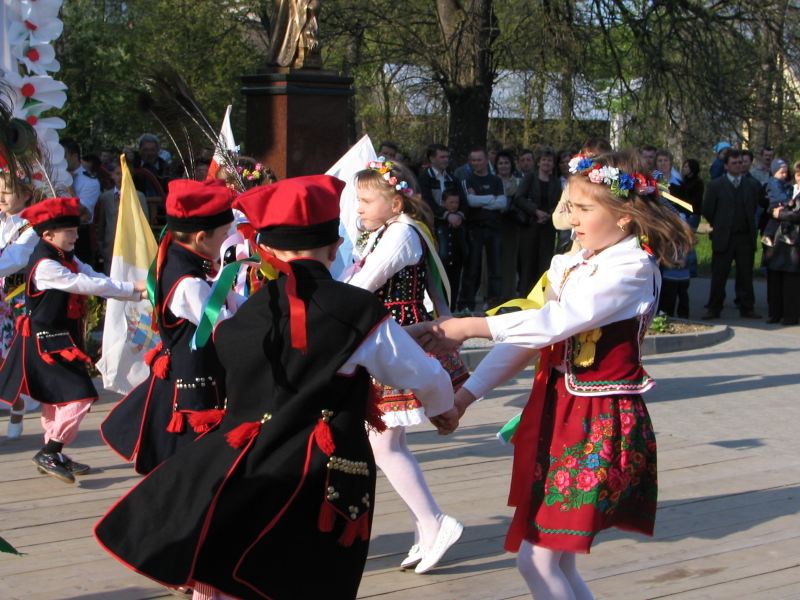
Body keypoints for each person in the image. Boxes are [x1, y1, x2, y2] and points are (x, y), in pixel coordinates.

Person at [94, 175, 458, 600]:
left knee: (227, 563)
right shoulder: (356, 309)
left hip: (242, 462)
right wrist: (443, 407)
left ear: (266, 250)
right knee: (302, 577)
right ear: (335, 248)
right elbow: (423, 375)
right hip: (317, 475)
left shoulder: (248, 311)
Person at [412, 151, 693, 599]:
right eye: (570, 206)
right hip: (558, 411)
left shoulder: (631, 269)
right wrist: (465, 397)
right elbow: (530, 341)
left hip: (595, 420)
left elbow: (553, 324)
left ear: (624, 216)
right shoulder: (576, 261)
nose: (571, 218)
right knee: (554, 559)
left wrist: (467, 327)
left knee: (538, 560)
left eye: (584, 209)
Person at [344, 160, 466, 574]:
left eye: (366, 200)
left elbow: (363, 285)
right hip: (389, 337)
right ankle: (425, 529)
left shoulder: (401, 234)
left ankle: (434, 523)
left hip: (398, 340)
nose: (359, 207)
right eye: (358, 200)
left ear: (395, 203)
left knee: (383, 443)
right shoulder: (387, 231)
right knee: (388, 443)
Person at [0, 197, 146, 483]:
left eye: (76, 230)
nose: (76, 236)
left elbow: (90, 274)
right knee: (80, 396)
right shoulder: (46, 265)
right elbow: (84, 284)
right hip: (44, 343)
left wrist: (134, 289)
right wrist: (133, 289)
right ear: (48, 234)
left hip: (60, 340)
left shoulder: (65, 256)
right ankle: (50, 451)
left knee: (57, 399)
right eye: (69, 231)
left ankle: (54, 452)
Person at [100, 179, 241, 475]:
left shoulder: (177, 258)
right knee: (191, 469)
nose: (229, 239)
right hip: (193, 391)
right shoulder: (188, 283)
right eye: (225, 234)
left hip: (184, 378)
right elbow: (224, 326)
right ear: (201, 238)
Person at [702, 150, 763, 319]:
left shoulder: (751, 185)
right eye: (734, 163)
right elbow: (707, 209)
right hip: (724, 236)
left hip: (745, 237)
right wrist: (720, 224)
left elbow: (755, 206)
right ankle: (714, 308)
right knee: (719, 275)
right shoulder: (716, 185)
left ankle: (747, 307)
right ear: (726, 166)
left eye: (740, 163)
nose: (738, 166)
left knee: (745, 274)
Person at [0, 172, 39, 439]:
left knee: (11, 357)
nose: (1, 196)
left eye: (7, 191)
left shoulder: (32, 227)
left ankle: (17, 403)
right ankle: (15, 402)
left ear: (26, 194)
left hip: (18, 300)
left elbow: (16, 258)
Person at [458, 147, 507, 311]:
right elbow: (470, 201)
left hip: (495, 227)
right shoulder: (467, 180)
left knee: (496, 269)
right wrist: (492, 198)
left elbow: (503, 203)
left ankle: (494, 304)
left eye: (479, 160)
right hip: (475, 228)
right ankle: (466, 304)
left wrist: (480, 199)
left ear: (486, 160)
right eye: (473, 160)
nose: (476, 163)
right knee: (472, 268)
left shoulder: (496, 180)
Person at [514, 147, 562, 295]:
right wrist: (535, 211)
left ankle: (541, 297)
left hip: (547, 228)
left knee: (544, 264)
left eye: (549, 160)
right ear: (539, 162)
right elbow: (519, 198)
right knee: (527, 265)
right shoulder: (530, 178)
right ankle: (524, 296)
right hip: (530, 226)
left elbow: (559, 202)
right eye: (544, 160)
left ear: (553, 164)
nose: (546, 163)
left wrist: (549, 214)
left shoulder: (556, 182)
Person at [96, 159, 150, 274]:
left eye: (125, 173)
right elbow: (102, 224)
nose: (121, 177)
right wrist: (101, 246)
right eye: (117, 173)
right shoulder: (105, 197)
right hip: (111, 247)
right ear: (112, 175)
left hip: (132, 246)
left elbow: (145, 223)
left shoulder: (139, 197)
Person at [763, 161, 800, 325]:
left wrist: (779, 214)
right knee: (775, 275)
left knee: (791, 279)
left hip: (795, 240)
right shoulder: (789, 188)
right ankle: (775, 313)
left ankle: (790, 316)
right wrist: (772, 211)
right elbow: (769, 204)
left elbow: (797, 215)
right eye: (798, 175)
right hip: (779, 239)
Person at [62, 138, 101, 264]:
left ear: (74, 156)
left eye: (63, 156)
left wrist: (69, 185)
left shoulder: (90, 181)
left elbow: (81, 212)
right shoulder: (54, 176)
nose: (59, 160)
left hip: (79, 236)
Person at [495, 150, 522, 301]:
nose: (504, 166)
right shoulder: (492, 181)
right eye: (500, 163)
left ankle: (509, 295)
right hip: (494, 225)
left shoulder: (518, 182)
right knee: (493, 263)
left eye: (506, 163)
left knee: (510, 262)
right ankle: (493, 297)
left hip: (512, 226)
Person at [436, 187, 468, 310]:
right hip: (442, 261)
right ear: (443, 203)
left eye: (456, 202)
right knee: (441, 287)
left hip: (456, 260)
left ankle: (452, 309)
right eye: (451, 202)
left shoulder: (460, 222)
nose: (454, 205)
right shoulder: (438, 222)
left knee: (454, 286)